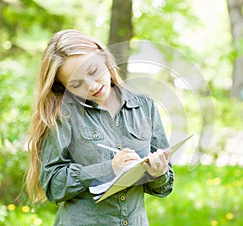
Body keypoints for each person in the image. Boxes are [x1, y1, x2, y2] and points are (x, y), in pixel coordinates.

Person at [26, 29, 174, 226]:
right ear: (64, 87)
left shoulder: (144, 106)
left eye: (93, 71)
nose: (92, 86)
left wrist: (158, 173)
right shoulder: (62, 115)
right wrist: (109, 168)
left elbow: (164, 187)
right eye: (76, 84)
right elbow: (53, 185)